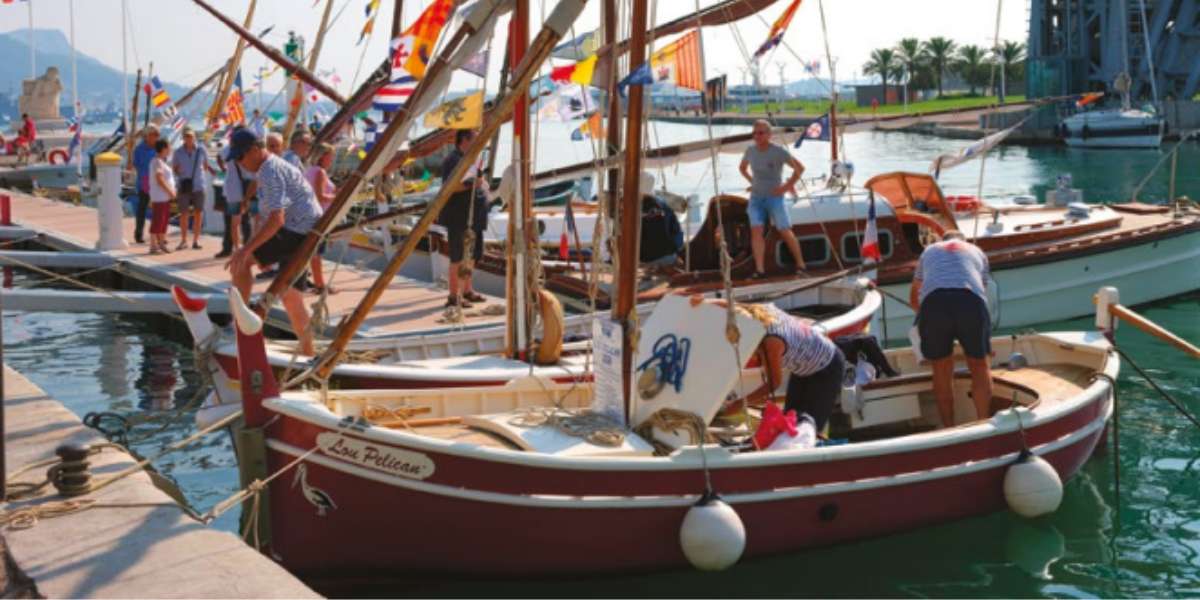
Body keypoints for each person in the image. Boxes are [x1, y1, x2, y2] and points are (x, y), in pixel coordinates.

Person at [224, 128, 324, 356]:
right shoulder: (271, 168)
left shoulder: (269, 171)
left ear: (255, 150)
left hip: (296, 230)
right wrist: (258, 247)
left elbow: (276, 219)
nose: (239, 163)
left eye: (240, 157)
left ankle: (238, 325)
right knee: (292, 297)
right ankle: (309, 353)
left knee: (241, 261)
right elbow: (271, 217)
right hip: (306, 232)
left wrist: (247, 249)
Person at [690, 294, 845, 432]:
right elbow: (730, 305)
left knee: (809, 426)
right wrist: (704, 302)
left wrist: (741, 404)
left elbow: (773, 384)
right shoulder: (758, 311)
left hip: (828, 366)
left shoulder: (772, 342)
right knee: (790, 418)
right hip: (803, 368)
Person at [909, 230, 993, 427]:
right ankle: (983, 424)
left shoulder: (928, 251)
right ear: (963, 241)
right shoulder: (978, 252)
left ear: (942, 241)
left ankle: (949, 428)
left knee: (941, 368)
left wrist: (927, 317)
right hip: (970, 301)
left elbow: (914, 297)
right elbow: (981, 292)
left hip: (934, 303)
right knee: (980, 366)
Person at [739, 119, 806, 278]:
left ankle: (801, 265)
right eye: (754, 133)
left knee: (784, 230)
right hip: (756, 197)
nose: (757, 136)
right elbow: (742, 168)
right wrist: (752, 182)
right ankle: (760, 270)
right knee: (756, 230)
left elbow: (800, 168)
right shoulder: (750, 150)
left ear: (769, 135)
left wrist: (786, 187)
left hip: (775, 197)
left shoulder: (778, 152)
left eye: (761, 133)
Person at [438, 129, 489, 308]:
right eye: (475, 139)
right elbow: (450, 187)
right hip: (459, 216)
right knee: (458, 256)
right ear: (464, 141)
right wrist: (470, 185)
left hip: (473, 215)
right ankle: (454, 295)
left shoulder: (471, 159)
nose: (478, 143)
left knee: (472, 255)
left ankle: (467, 290)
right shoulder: (453, 160)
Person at [172, 128, 216, 250]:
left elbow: (206, 166)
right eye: (186, 136)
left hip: (198, 185)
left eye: (190, 136)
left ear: (194, 137)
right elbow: (174, 168)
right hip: (184, 185)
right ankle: (183, 240)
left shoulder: (201, 150)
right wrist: (178, 171)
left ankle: (196, 241)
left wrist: (198, 175)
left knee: (198, 213)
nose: (189, 138)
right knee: (184, 214)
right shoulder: (178, 152)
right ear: (183, 138)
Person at [304, 142, 337, 294]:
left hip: (309, 215)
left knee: (311, 252)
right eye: (331, 156)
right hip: (319, 217)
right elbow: (320, 196)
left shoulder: (310, 170)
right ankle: (320, 285)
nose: (332, 159)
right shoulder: (320, 172)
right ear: (323, 156)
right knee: (316, 253)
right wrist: (337, 196)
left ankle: (314, 283)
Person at [215, 145, 254, 259]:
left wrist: (223, 168)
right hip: (243, 189)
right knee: (244, 222)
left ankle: (234, 249)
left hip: (233, 190)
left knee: (233, 223)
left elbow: (219, 157)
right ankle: (243, 250)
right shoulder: (246, 149)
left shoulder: (229, 148)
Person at [638, 172, 683, 268]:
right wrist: (676, 251)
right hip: (669, 257)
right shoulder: (663, 205)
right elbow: (676, 230)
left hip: (646, 261)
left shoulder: (632, 208)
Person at [131, 126, 160, 244]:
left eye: (157, 135)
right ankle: (139, 234)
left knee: (159, 210)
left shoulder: (158, 147)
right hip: (144, 182)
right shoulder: (139, 149)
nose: (156, 137)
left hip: (158, 182)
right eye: (154, 135)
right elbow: (137, 165)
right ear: (147, 136)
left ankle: (159, 235)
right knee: (142, 209)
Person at [147, 139, 176, 255]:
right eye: (169, 147)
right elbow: (159, 178)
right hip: (160, 196)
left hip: (164, 197)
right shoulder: (157, 162)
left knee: (163, 221)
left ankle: (161, 243)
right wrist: (170, 191)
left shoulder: (161, 161)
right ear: (164, 148)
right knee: (158, 220)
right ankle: (153, 245)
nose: (170, 150)